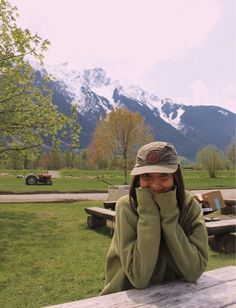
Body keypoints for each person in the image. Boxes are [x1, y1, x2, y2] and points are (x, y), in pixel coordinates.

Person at [101, 141, 208, 295]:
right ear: (138, 178)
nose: (155, 185)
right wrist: (148, 211)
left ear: (175, 177)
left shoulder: (190, 206)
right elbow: (139, 277)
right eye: (146, 176)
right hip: (125, 298)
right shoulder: (127, 207)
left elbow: (194, 272)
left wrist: (169, 215)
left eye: (163, 175)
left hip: (176, 297)